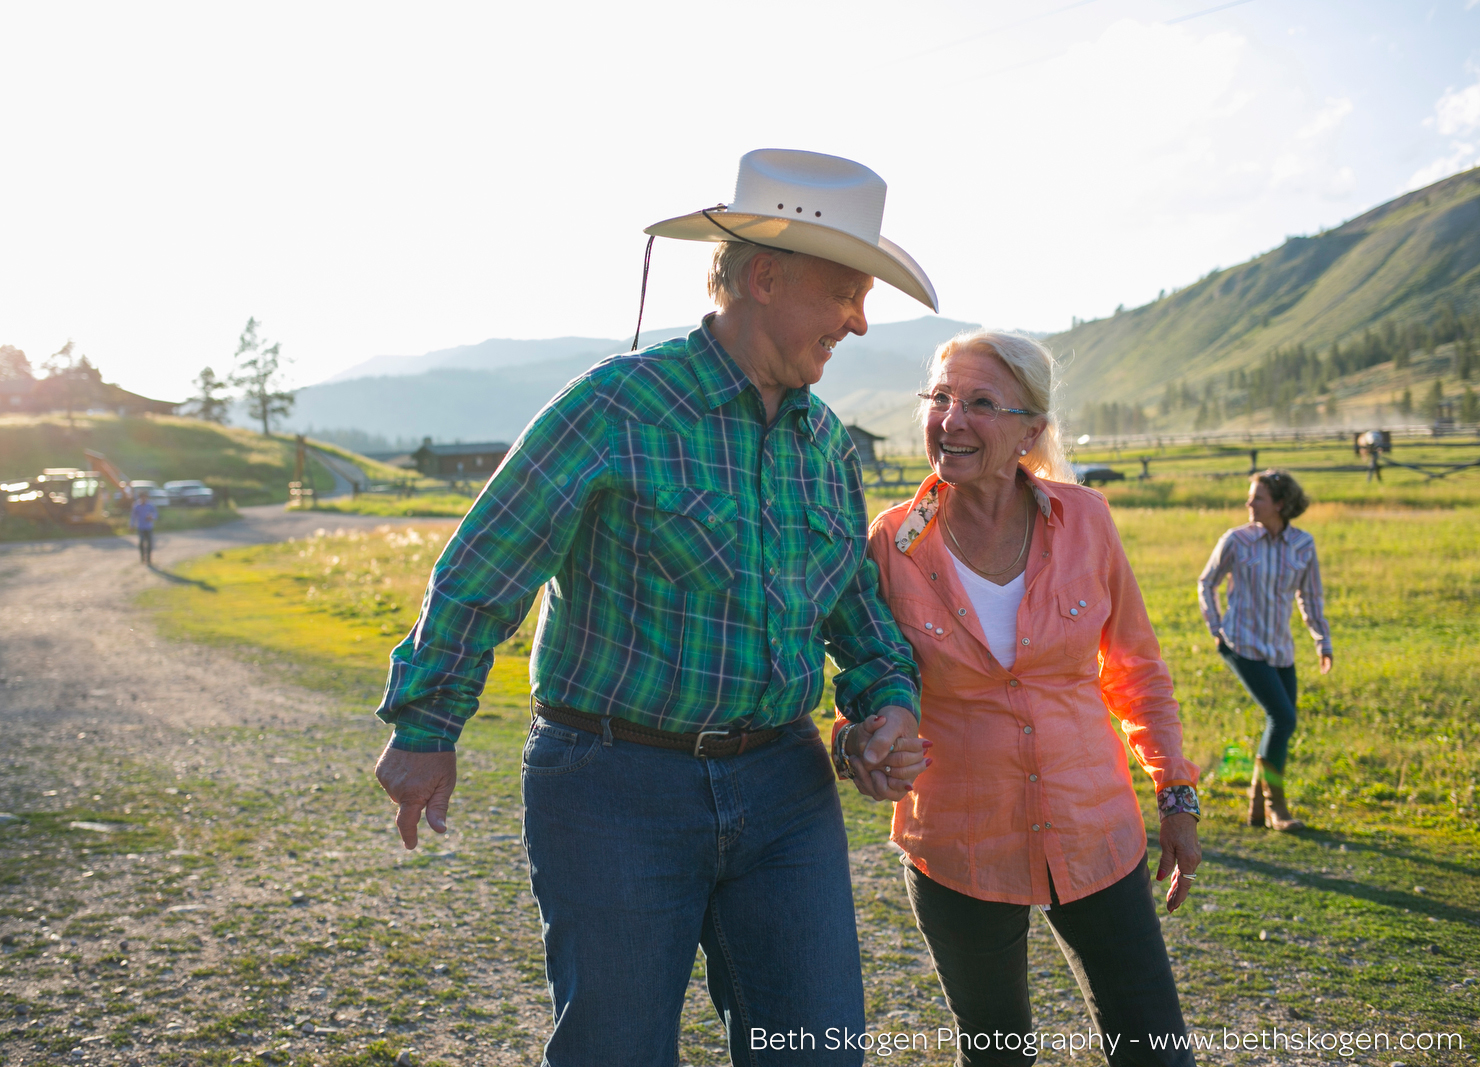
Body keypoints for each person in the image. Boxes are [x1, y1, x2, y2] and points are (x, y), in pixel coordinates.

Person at [372, 149, 936, 1066]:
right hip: (614, 784)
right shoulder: (618, 406)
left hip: (786, 787)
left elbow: (857, 612)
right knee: (615, 1051)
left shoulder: (826, 444)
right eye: (846, 292)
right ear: (763, 275)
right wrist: (428, 722)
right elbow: (489, 559)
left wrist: (890, 702)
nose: (861, 323)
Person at [838, 330, 1202, 1067]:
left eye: (979, 402)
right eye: (939, 398)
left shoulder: (1085, 521)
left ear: (1030, 431)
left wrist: (1176, 791)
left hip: (1093, 830)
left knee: (1157, 1053)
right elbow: (870, 679)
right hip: (958, 845)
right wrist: (865, 740)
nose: (951, 419)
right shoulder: (891, 543)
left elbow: (1135, 669)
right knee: (997, 1054)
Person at [1198, 469, 1333, 832]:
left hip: (1280, 649)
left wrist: (1323, 640)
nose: (1248, 503)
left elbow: (1311, 597)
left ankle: (1258, 807)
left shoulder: (1303, 545)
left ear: (1280, 504)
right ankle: (1277, 808)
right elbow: (1206, 583)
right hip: (1241, 644)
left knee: (1284, 723)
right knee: (1283, 718)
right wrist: (1217, 631)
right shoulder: (1237, 540)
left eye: (1257, 497)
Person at [129, 491, 157, 566]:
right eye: (142, 497)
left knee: (149, 543)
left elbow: (155, 514)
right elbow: (133, 516)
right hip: (140, 527)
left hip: (148, 527)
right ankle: (142, 557)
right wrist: (131, 525)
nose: (143, 498)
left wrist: (152, 517)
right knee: (141, 543)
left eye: (145, 497)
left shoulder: (150, 505)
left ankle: (149, 559)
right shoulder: (136, 506)